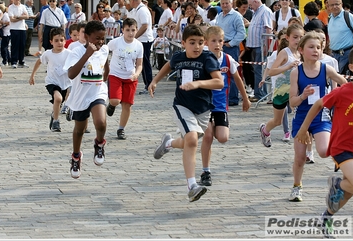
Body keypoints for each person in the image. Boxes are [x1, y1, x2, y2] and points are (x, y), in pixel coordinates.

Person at [147, 24, 223, 202]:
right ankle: (192, 185)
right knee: (192, 139)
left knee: (190, 140)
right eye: (192, 42)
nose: (196, 46)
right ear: (183, 43)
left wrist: (198, 84)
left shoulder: (208, 58)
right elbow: (168, 65)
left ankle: (169, 143)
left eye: (200, 42)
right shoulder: (179, 57)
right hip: (182, 106)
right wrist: (155, 80)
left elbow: (218, 82)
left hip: (203, 110)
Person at [295, 48, 353, 238]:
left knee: (351, 187)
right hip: (342, 148)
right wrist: (304, 129)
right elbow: (319, 104)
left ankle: (327, 216)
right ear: (352, 67)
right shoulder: (344, 91)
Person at [288, 31, 347, 202]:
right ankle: (297, 187)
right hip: (301, 119)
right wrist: (303, 96)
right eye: (311, 47)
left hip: (321, 117)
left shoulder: (325, 68)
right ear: (301, 50)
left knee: (323, 151)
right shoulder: (296, 72)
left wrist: (340, 95)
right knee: (300, 158)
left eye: (319, 48)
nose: (316, 51)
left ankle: (344, 175)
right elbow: (292, 102)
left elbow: (344, 82)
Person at [199, 26, 251, 186]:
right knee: (208, 137)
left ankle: (210, 127)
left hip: (221, 106)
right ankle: (205, 171)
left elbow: (237, 79)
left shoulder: (228, 60)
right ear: (206, 42)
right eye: (213, 41)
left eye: (220, 41)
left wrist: (245, 98)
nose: (217, 44)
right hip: (204, 105)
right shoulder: (202, 59)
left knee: (222, 138)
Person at [63, 21, 110, 179]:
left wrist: (105, 78)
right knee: (79, 129)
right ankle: (76, 156)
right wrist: (87, 54)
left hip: (97, 92)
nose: (100, 42)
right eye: (97, 38)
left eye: (103, 38)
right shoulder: (75, 51)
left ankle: (99, 143)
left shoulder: (104, 49)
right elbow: (71, 74)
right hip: (80, 95)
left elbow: (105, 67)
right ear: (87, 37)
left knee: (101, 122)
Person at [259, 24, 304, 147]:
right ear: (287, 37)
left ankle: (304, 147)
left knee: (301, 117)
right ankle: (265, 130)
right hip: (280, 92)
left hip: (295, 92)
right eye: (295, 37)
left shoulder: (302, 53)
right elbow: (272, 71)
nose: (298, 40)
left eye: (301, 37)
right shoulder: (285, 53)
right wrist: (288, 66)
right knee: (277, 121)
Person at [105, 18, 143, 140]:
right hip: (115, 74)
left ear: (136, 30)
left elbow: (139, 64)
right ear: (122, 30)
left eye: (133, 30)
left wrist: (137, 73)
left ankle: (121, 129)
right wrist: (105, 67)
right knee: (115, 101)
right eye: (128, 30)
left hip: (130, 77)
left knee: (127, 105)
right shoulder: (116, 42)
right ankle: (111, 105)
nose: (130, 33)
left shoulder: (139, 45)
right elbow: (104, 51)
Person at [29, 28, 72, 132]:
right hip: (52, 82)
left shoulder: (69, 53)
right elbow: (39, 62)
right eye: (56, 40)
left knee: (68, 98)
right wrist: (32, 75)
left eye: (61, 40)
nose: (59, 43)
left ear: (65, 41)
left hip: (66, 83)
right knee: (58, 98)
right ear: (51, 42)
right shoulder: (48, 53)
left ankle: (64, 110)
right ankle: (56, 122)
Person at [216, 0, 246, 106]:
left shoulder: (236, 16)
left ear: (231, 3)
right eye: (222, 3)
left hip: (231, 47)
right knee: (222, 71)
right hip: (220, 46)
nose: (224, 5)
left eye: (226, 3)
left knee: (232, 72)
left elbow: (242, 33)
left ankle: (233, 98)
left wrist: (231, 43)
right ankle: (225, 96)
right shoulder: (219, 16)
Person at [246, 0, 272, 102]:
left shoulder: (265, 11)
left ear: (256, 2)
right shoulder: (256, 12)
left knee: (260, 70)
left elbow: (268, 29)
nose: (250, 7)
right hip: (255, 46)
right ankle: (259, 92)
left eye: (251, 5)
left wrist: (266, 46)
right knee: (257, 69)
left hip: (261, 46)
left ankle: (260, 93)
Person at [128, 0, 154, 95]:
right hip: (142, 40)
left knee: (145, 63)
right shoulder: (138, 9)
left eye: (130, 1)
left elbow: (144, 26)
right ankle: (148, 84)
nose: (130, 3)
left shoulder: (142, 10)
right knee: (142, 63)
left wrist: (134, 37)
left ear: (133, 0)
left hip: (144, 40)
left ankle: (149, 85)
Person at [327, 0, 353, 75]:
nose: (334, 7)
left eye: (337, 4)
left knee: (345, 79)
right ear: (328, 6)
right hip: (334, 55)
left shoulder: (348, 17)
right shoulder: (330, 18)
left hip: (347, 54)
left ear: (341, 4)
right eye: (332, 5)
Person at [8, 0, 29, 69]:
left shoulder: (23, 6)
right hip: (14, 29)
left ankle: (21, 61)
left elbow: (27, 16)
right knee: (15, 45)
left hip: (22, 28)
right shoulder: (11, 7)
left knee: (22, 45)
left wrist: (18, 17)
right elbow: (12, 19)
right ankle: (14, 61)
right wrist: (21, 17)